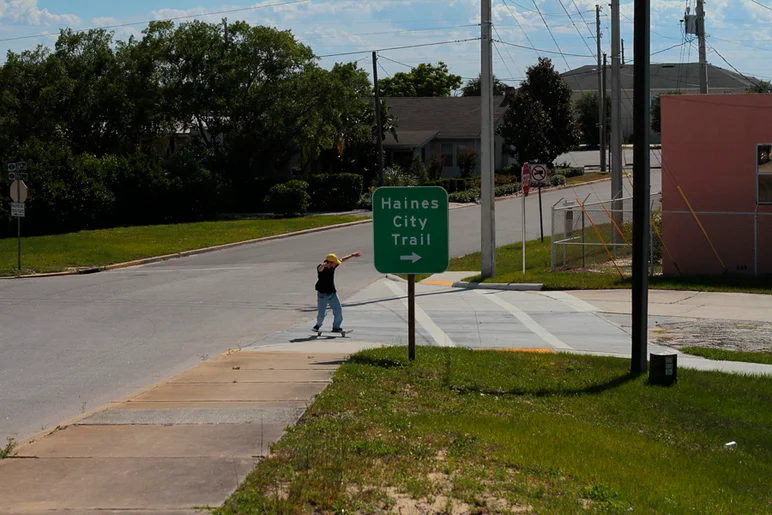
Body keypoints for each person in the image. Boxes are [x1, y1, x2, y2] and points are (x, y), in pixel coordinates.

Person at [313, 251, 361, 332]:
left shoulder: (333, 266)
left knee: (338, 311)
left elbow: (342, 259)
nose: (335, 264)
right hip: (322, 295)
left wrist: (352, 255)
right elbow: (320, 269)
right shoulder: (321, 268)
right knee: (321, 314)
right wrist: (324, 265)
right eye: (334, 263)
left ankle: (336, 327)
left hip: (332, 294)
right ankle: (317, 326)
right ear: (330, 263)